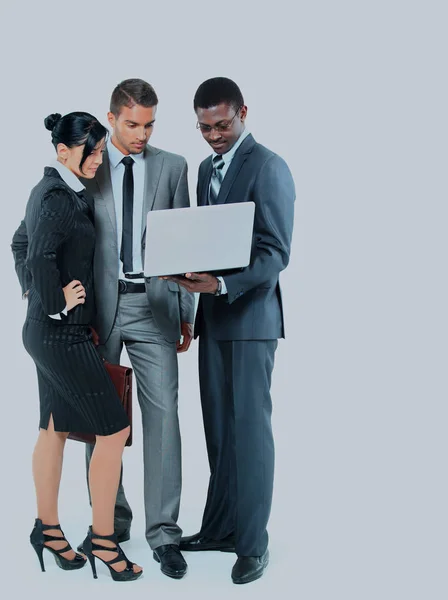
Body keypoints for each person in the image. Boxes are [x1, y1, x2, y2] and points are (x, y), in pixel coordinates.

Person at [165, 77, 296, 584]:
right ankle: (219, 528)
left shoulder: (269, 166)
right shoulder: (204, 168)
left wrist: (221, 283)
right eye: (205, 128)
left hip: (251, 319)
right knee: (218, 431)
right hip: (213, 320)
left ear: (243, 112)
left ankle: (252, 543)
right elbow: (209, 236)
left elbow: (276, 252)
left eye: (223, 125)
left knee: (250, 433)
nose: (215, 136)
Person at [11, 112, 142, 582]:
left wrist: (40, 300)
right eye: (91, 152)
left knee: (54, 428)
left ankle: (47, 530)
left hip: (48, 332)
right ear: (62, 151)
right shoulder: (58, 197)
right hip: (60, 335)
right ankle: (105, 543)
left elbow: (19, 240)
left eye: (101, 151)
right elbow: (37, 251)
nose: (97, 160)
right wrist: (53, 301)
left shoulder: (52, 191)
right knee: (113, 432)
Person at [78, 79, 194, 580]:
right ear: (111, 119)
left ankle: (165, 533)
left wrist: (188, 312)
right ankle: (111, 522)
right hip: (101, 310)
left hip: (155, 308)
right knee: (101, 422)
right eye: (132, 124)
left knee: (164, 417)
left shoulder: (173, 167)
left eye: (149, 124)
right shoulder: (90, 166)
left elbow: (188, 242)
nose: (142, 134)